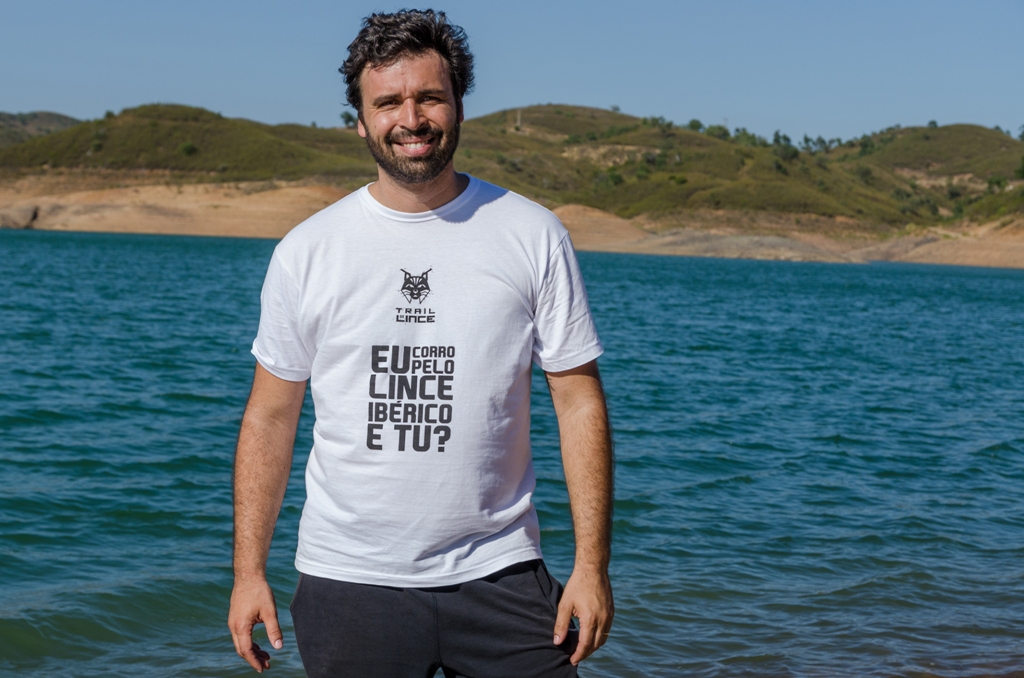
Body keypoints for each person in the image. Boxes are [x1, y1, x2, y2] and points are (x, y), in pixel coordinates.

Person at [227, 9, 613, 677]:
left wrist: (591, 567)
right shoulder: (308, 251)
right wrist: (248, 573)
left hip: (502, 571)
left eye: (430, 97)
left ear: (459, 105)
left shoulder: (532, 234)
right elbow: (270, 416)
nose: (411, 118)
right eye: (388, 103)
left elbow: (578, 402)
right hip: (350, 579)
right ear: (360, 120)